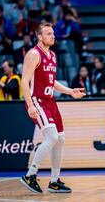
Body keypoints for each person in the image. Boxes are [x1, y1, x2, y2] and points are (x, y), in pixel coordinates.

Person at [20, 22, 85, 193]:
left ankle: (54, 181)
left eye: (53, 34)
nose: (53, 36)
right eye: (49, 34)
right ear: (39, 37)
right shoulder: (34, 54)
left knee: (60, 140)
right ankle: (30, 174)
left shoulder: (53, 55)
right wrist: (30, 105)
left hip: (51, 102)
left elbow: (52, 82)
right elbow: (24, 81)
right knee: (52, 137)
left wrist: (70, 91)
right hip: (38, 100)